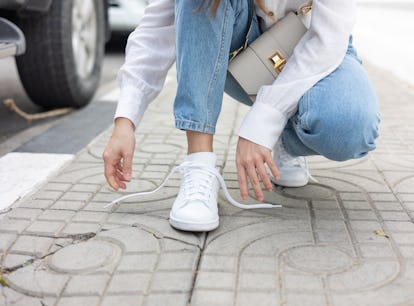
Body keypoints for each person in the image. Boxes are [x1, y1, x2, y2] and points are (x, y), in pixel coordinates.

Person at [103, 0, 380, 232]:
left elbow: (327, 40)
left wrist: (261, 125)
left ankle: (285, 140)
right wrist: (125, 120)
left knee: (349, 125)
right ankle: (199, 165)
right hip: (240, 43)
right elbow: (158, 27)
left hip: (316, 41)